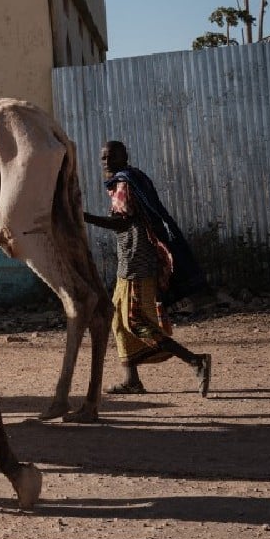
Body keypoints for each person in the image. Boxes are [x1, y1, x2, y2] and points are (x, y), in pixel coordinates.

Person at [80, 140, 211, 423]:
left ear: (124, 157)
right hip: (129, 260)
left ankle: (195, 361)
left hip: (138, 262)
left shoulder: (124, 184)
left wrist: (84, 217)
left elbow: (122, 223)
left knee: (135, 320)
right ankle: (132, 380)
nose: (105, 161)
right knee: (116, 320)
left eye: (110, 156)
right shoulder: (129, 180)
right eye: (102, 157)